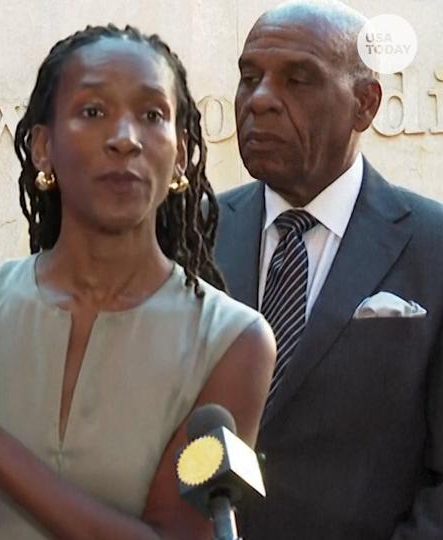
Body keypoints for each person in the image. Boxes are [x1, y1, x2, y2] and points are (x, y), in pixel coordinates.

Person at [0, 24, 276, 539]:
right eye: (93, 112)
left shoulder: (234, 340)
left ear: (180, 153)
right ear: (42, 148)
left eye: (152, 115)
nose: (125, 139)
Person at [215, 1, 443, 538]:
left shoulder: (432, 246)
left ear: (365, 105)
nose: (261, 100)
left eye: (298, 79)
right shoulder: (191, 235)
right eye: (250, 77)